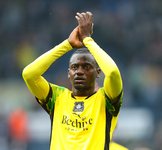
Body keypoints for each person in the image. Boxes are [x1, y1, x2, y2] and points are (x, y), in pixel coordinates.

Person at [22, 11, 123, 150]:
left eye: (86, 67)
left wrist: (88, 40)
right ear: (69, 73)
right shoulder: (57, 98)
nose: (79, 71)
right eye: (74, 67)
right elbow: (29, 74)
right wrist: (67, 45)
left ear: (98, 72)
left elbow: (112, 72)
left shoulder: (105, 100)